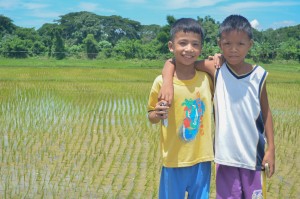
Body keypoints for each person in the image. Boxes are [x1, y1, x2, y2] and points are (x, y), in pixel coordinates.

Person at [160, 15, 275, 199]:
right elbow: (176, 61)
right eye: (227, 44)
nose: (234, 49)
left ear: (250, 45)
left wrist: (271, 149)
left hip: (254, 157)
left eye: (240, 44)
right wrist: (167, 81)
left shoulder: (258, 75)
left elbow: (266, 112)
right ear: (219, 44)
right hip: (224, 157)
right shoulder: (216, 69)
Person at [147, 18, 218, 199]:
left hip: (202, 160)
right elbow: (151, 116)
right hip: (173, 160)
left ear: (201, 48)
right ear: (171, 46)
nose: (189, 49)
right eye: (183, 43)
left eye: (195, 44)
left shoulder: (206, 79)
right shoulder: (161, 82)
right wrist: (157, 113)